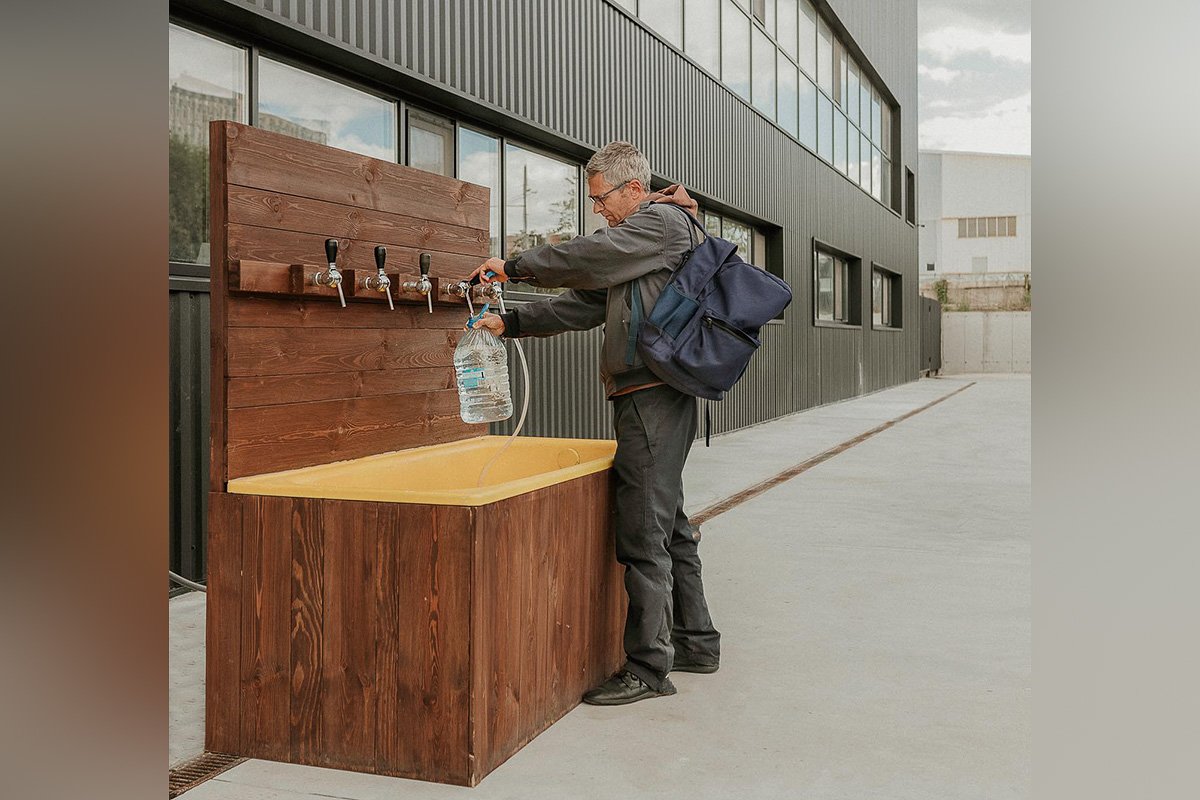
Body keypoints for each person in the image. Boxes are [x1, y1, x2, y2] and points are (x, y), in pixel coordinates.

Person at [467, 141, 721, 706]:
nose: (598, 211)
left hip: (653, 394)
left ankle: (649, 667)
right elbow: (584, 304)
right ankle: (697, 641)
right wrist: (511, 321)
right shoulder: (640, 249)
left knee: (643, 529)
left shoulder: (658, 225)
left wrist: (515, 265)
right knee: (668, 520)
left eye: (601, 199)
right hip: (649, 392)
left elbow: (586, 257)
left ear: (634, 188)